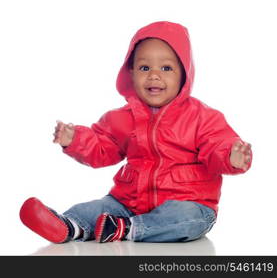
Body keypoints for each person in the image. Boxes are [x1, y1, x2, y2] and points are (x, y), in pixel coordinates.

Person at [20, 21, 252, 244]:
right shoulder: (121, 118)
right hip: (128, 202)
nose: (154, 75)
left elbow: (217, 144)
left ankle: (127, 229)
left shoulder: (202, 117)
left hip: (188, 202)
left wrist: (231, 156)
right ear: (131, 73)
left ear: (184, 75)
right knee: (99, 208)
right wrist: (76, 140)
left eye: (166, 68)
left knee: (189, 220)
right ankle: (67, 225)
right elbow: (103, 148)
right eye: (144, 67)